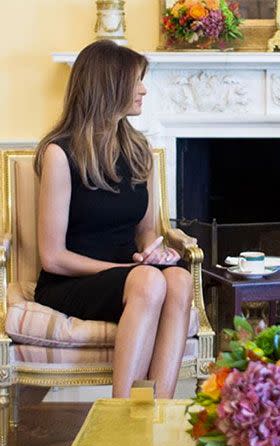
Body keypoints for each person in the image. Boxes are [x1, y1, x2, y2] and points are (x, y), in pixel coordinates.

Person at [34, 40, 193, 399]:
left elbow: (146, 230)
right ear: (109, 85)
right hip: (68, 281)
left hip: (131, 273)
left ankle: (157, 413)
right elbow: (53, 257)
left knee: (180, 280)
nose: (143, 89)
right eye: (136, 80)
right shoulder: (60, 154)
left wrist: (154, 252)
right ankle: (122, 421)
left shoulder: (139, 151)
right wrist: (126, 270)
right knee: (149, 283)